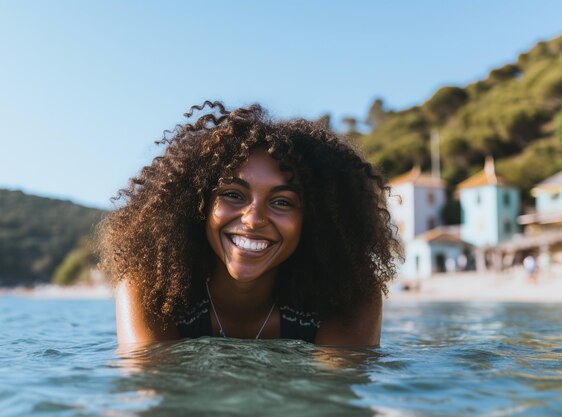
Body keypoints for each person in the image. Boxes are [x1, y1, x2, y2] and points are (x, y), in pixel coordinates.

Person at [98, 101, 401, 347]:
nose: (253, 219)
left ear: (315, 219)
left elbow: (331, 398)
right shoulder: (151, 289)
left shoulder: (350, 295)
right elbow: (149, 394)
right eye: (233, 194)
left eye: (282, 201)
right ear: (197, 205)